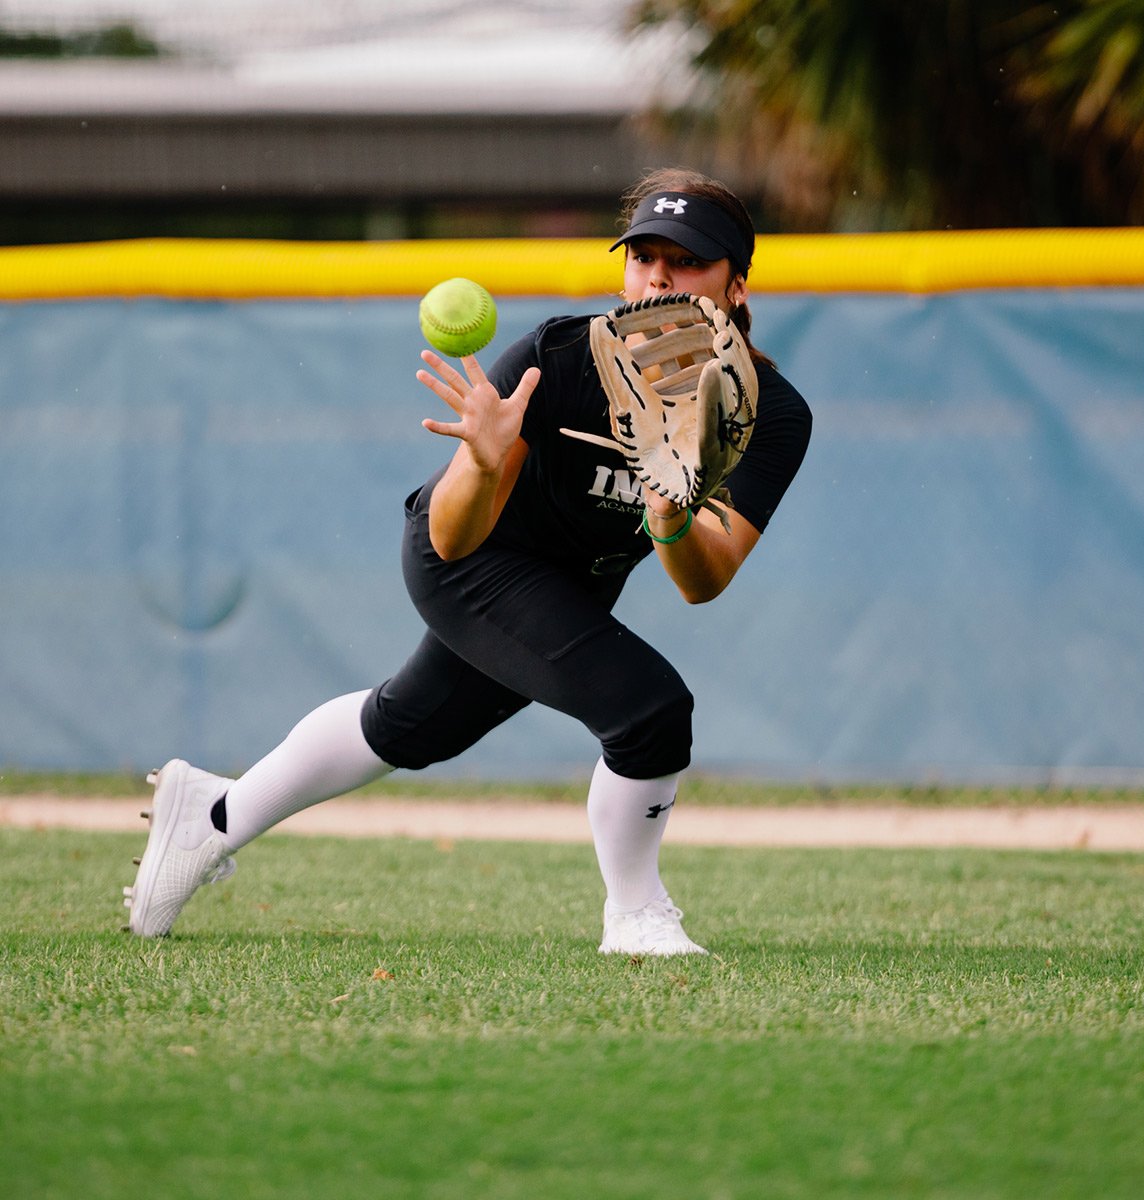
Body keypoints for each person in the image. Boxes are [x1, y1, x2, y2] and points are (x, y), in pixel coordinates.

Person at [124, 167, 813, 955]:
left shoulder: (770, 412)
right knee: (649, 710)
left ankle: (211, 817)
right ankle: (635, 914)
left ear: (735, 285)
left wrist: (670, 520)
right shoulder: (559, 361)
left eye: (687, 260)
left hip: (570, 582)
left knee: (412, 725)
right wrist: (484, 462)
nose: (657, 275)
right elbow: (453, 540)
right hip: (470, 554)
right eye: (642, 255)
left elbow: (706, 580)